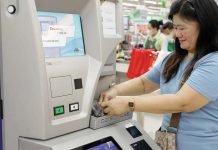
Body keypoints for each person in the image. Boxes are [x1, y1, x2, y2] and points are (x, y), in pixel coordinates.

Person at [99, 0, 218, 149]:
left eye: (182, 28)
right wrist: (115, 90)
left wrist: (129, 103)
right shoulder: (173, 59)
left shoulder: (213, 63)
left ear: (205, 26)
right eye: (175, 27)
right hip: (168, 143)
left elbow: (182, 102)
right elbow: (144, 83)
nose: (177, 34)